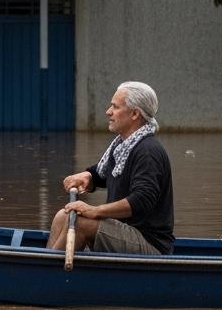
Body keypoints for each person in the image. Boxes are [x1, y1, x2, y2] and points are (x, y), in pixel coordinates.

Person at [46, 81, 174, 255]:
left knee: (80, 222)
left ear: (135, 113)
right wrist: (87, 177)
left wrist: (95, 211)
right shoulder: (123, 146)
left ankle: (51, 276)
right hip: (123, 232)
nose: (108, 112)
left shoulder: (148, 151)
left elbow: (141, 200)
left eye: (115, 107)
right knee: (64, 216)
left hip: (150, 245)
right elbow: (104, 175)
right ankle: (48, 265)